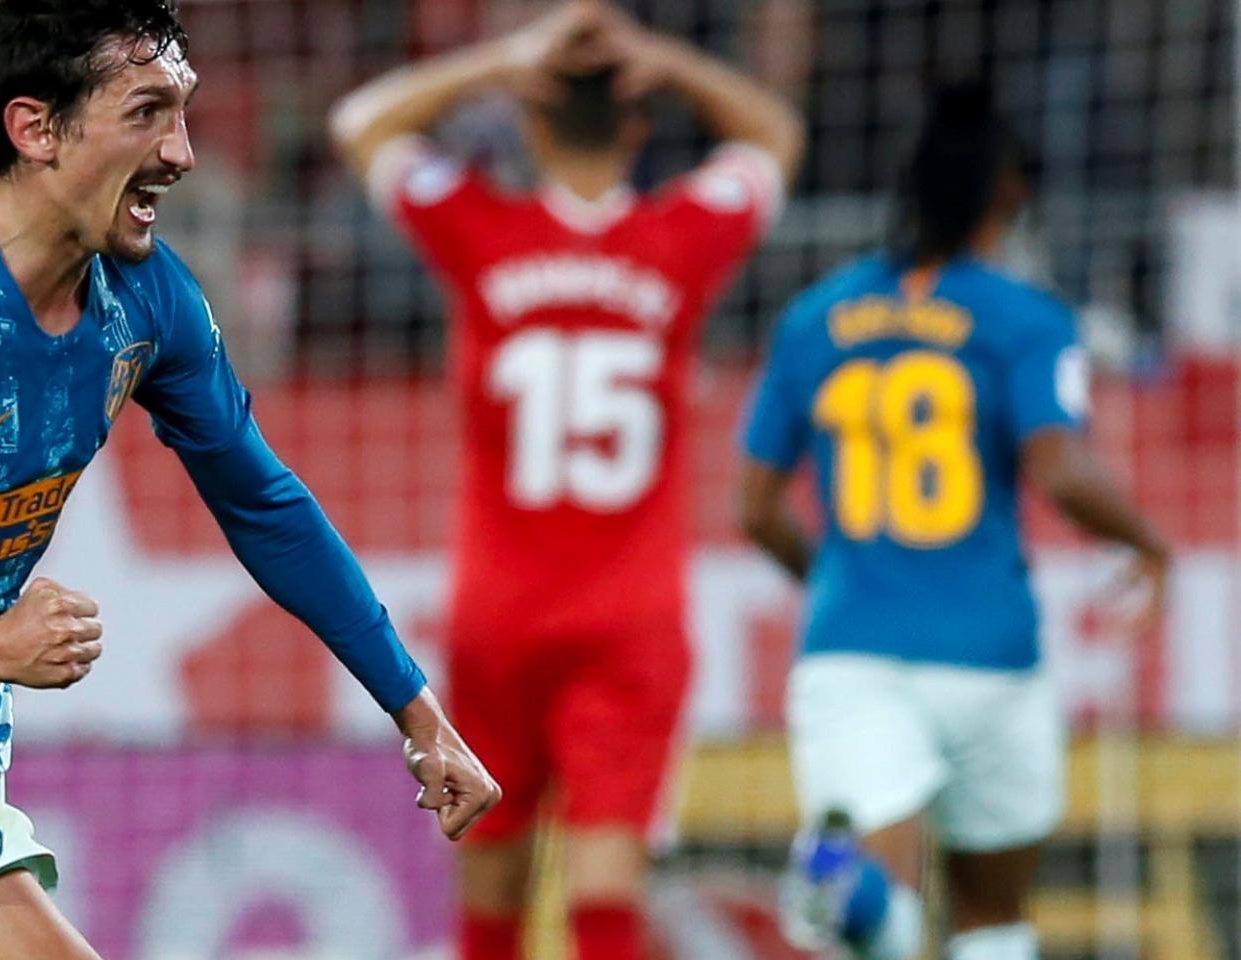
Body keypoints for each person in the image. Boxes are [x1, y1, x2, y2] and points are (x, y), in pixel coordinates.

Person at [0, 2, 499, 958]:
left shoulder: (147, 299)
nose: (184, 152)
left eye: (184, 112)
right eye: (148, 112)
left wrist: (416, 712)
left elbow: (265, 505)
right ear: (35, 127)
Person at [330, 3, 804, 958]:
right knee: (605, 905)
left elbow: (362, 124)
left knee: (493, 898)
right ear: (636, 126)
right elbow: (776, 134)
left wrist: (505, 59)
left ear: (532, 123)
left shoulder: (480, 230)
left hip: (497, 618)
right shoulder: (685, 236)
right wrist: (661, 59)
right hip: (629, 625)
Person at [737, 82, 1169, 960]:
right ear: (1010, 191)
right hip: (993, 655)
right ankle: (846, 892)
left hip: (855, 650)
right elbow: (1061, 467)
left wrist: (837, 578)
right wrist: (1149, 544)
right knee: (994, 923)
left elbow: (752, 508)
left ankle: (842, 888)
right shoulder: (1026, 319)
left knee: (887, 927)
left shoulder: (815, 318)